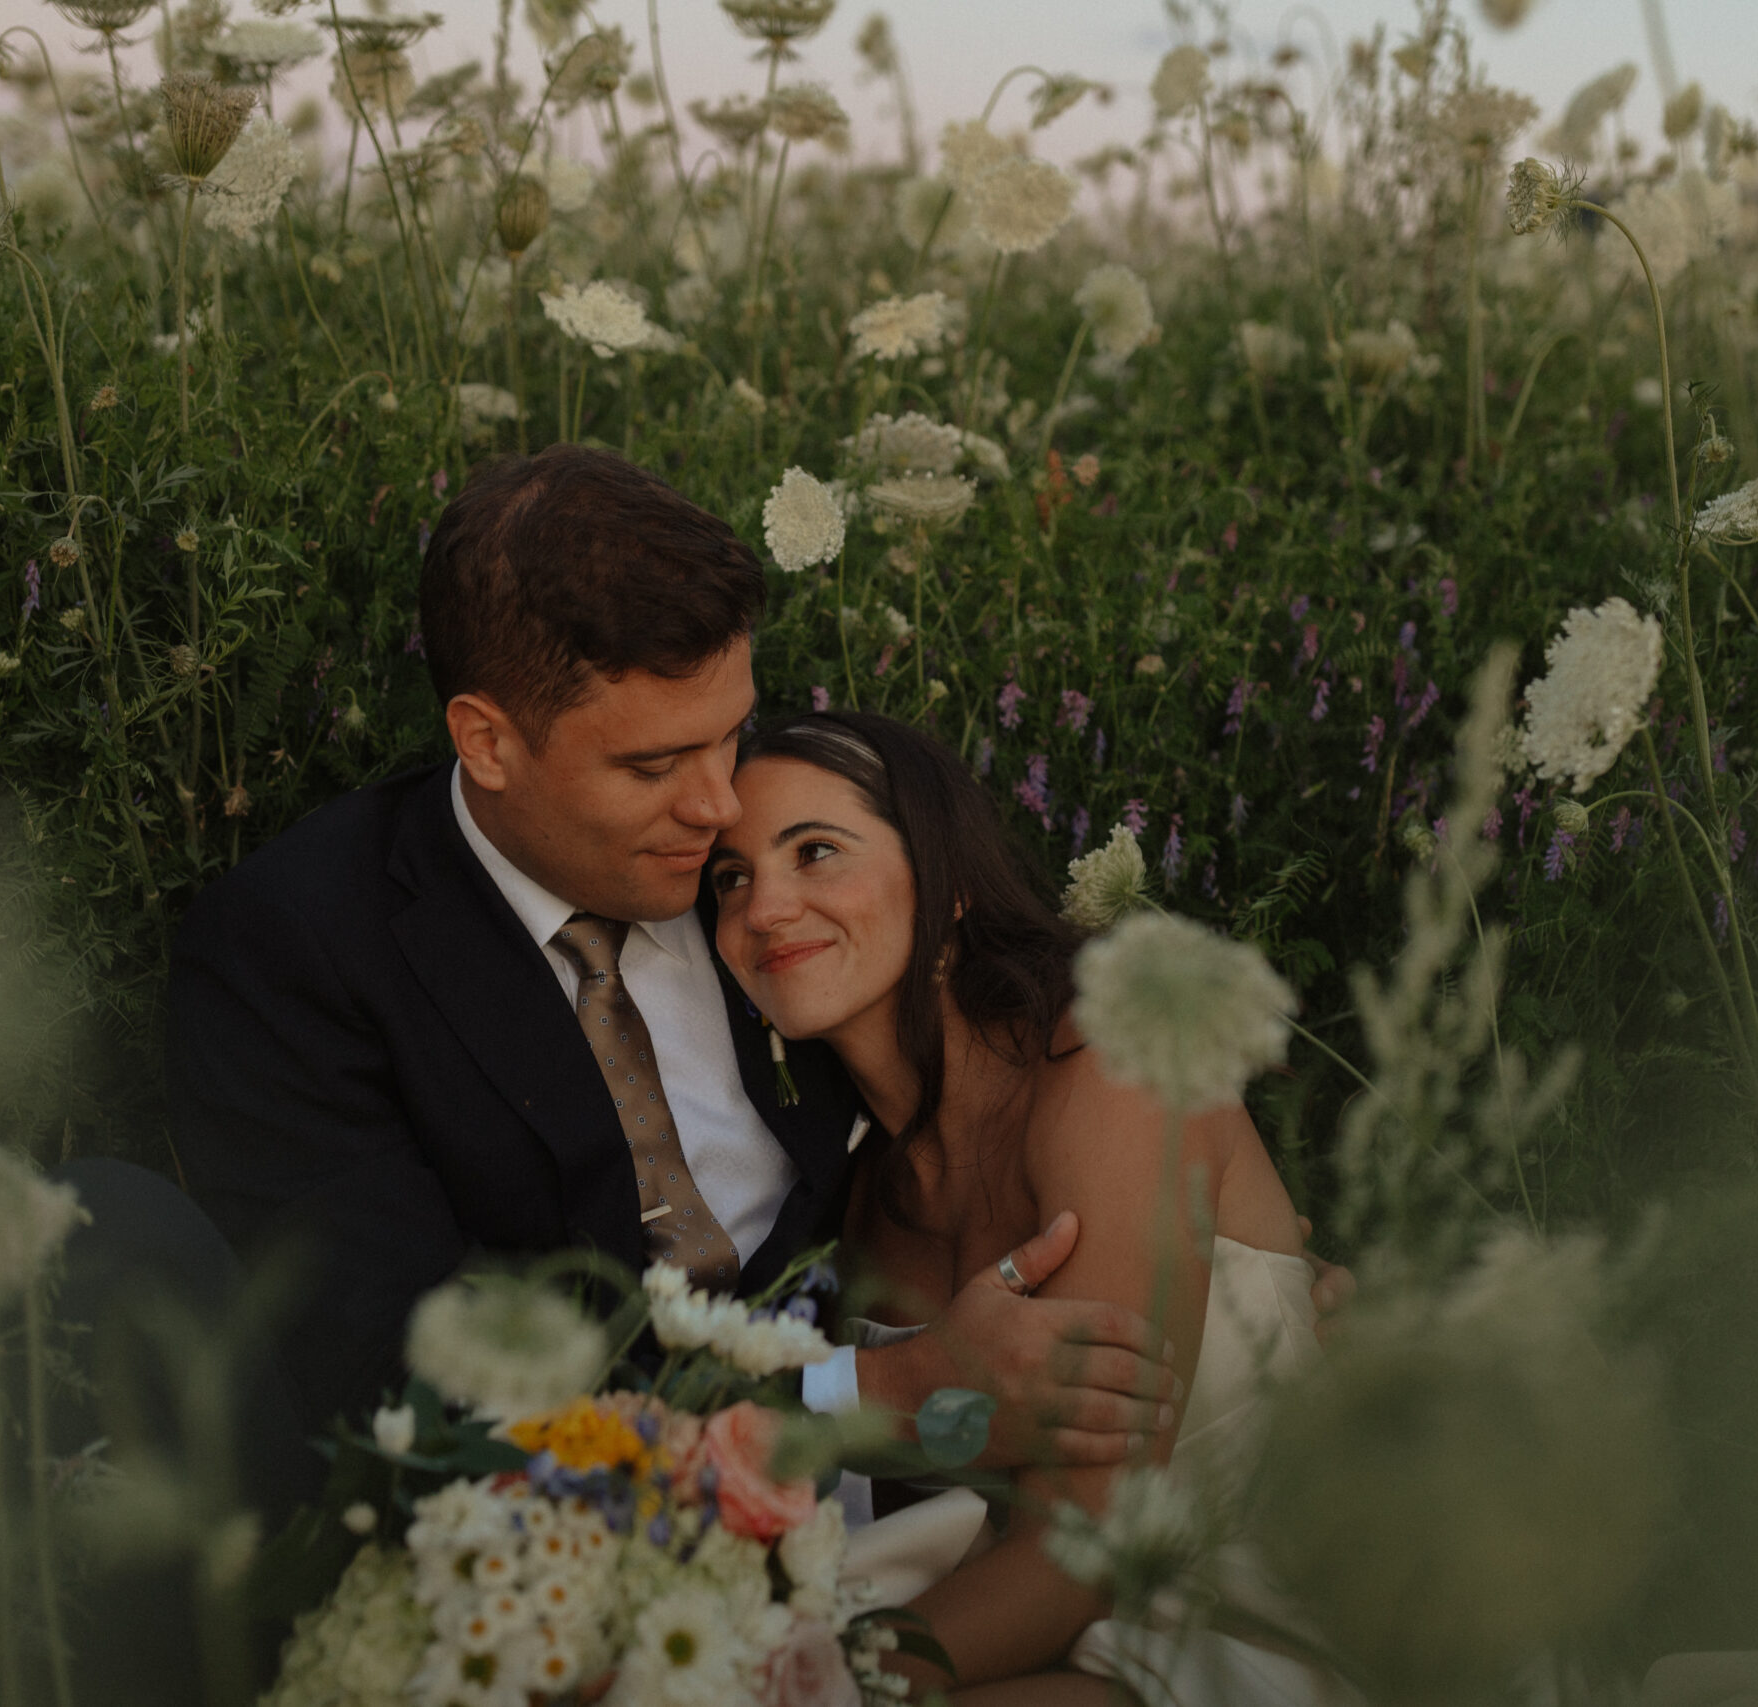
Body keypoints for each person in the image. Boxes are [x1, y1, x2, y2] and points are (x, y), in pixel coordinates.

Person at [149, 445, 1199, 1508]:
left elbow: (994, 1072)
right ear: (487, 741)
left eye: (728, 733)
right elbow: (407, 1398)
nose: (714, 806)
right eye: (652, 766)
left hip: (970, 1459)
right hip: (590, 1540)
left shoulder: (760, 861)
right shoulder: (300, 951)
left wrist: (1217, 1242)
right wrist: (883, 1387)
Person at [709, 710, 1361, 1707]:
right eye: (731, 878)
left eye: (815, 852)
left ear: (952, 881)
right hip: (1026, 1638)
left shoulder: (1115, 1065)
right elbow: (940, 1480)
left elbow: (1085, 1542)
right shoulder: (847, 1204)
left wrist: (818, 1687)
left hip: (1249, 1619)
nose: (764, 907)